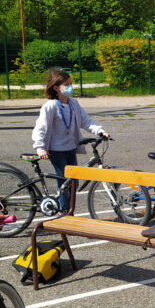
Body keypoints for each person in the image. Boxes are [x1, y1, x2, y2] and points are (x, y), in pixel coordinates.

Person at [32, 68, 110, 212]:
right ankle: (64, 212)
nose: (70, 87)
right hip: (56, 150)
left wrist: (100, 131)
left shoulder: (73, 104)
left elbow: (86, 121)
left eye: (70, 83)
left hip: (70, 148)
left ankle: (69, 210)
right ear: (56, 88)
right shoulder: (50, 106)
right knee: (63, 182)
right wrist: (40, 147)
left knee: (73, 181)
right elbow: (40, 128)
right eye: (66, 84)